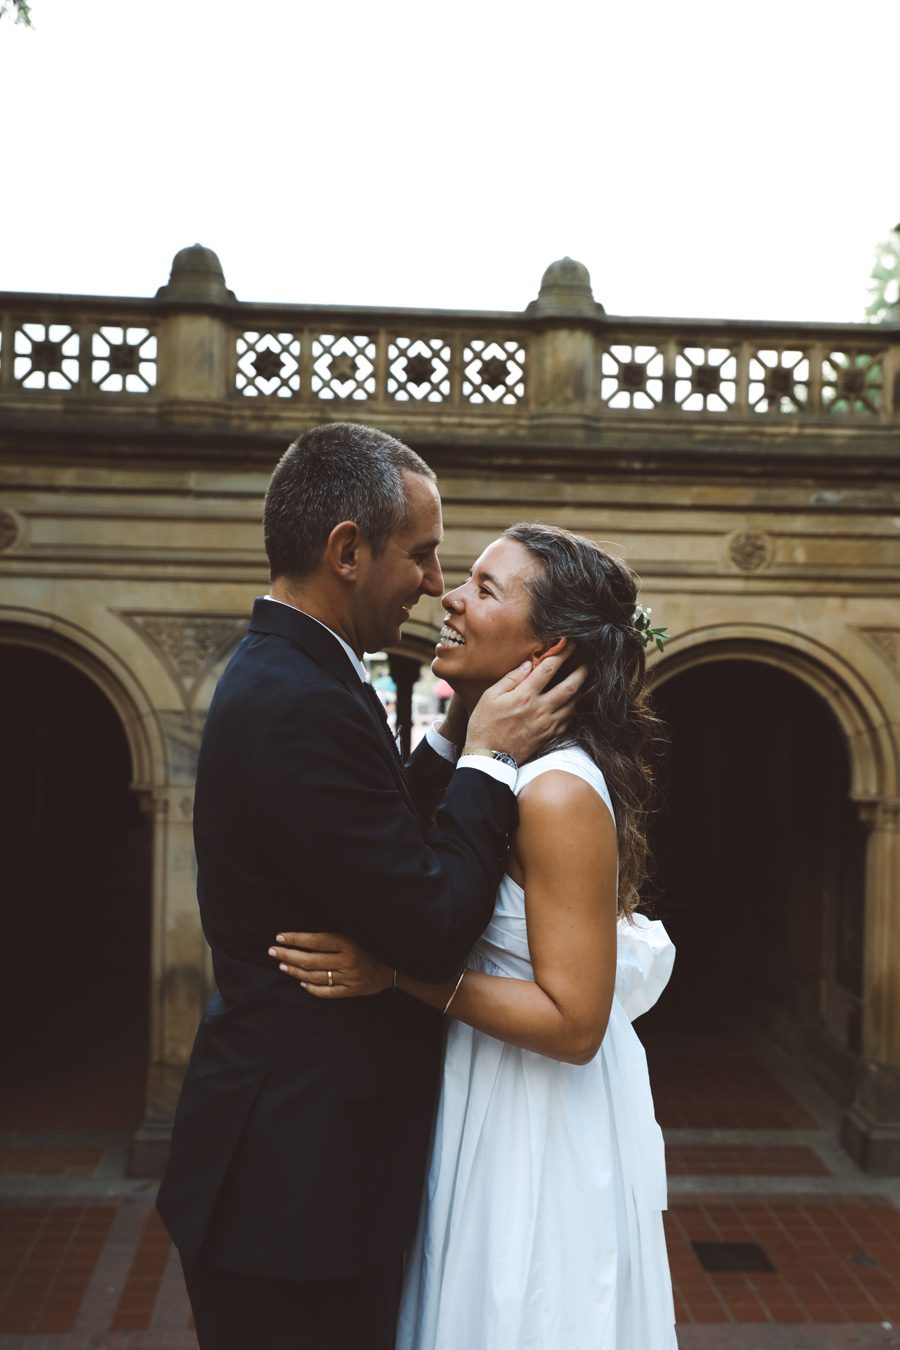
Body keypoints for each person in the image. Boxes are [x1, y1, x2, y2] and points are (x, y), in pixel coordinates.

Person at [156, 425, 584, 1350]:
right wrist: (491, 759)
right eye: (424, 556)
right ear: (347, 551)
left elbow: (371, 834)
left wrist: (447, 744)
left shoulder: (302, 670)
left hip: (307, 1165)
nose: (436, 585)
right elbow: (428, 923)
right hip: (293, 1191)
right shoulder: (296, 700)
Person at [272, 522, 678, 1349]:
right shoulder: (497, 765)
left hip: (538, 1124)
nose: (449, 595)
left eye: (486, 589)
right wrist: (462, 734)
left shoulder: (559, 793)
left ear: (546, 647)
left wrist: (396, 976)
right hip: (481, 1087)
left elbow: (574, 1023)